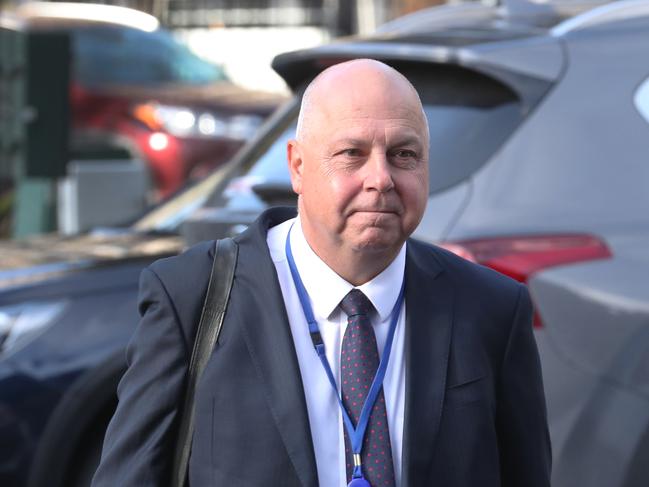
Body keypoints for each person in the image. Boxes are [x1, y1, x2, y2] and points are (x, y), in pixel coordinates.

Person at [92, 59, 551, 487]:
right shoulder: (194, 297)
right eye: (352, 153)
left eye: (404, 154)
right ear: (297, 166)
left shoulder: (489, 309)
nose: (381, 178)